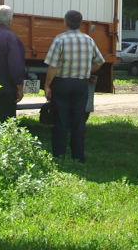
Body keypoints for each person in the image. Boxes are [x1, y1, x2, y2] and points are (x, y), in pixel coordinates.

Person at [44, 10, 104, 163]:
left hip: (62, 83)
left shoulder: (60, 40)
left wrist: (47, 85)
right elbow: (99, 61)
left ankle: (59, 155)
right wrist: (87, 70)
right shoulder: (88, 40)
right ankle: (78, 156)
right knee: (78, 121)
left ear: (65, 22)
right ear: (80, 23)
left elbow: (52, 66)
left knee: (60, 120)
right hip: (81, 84)